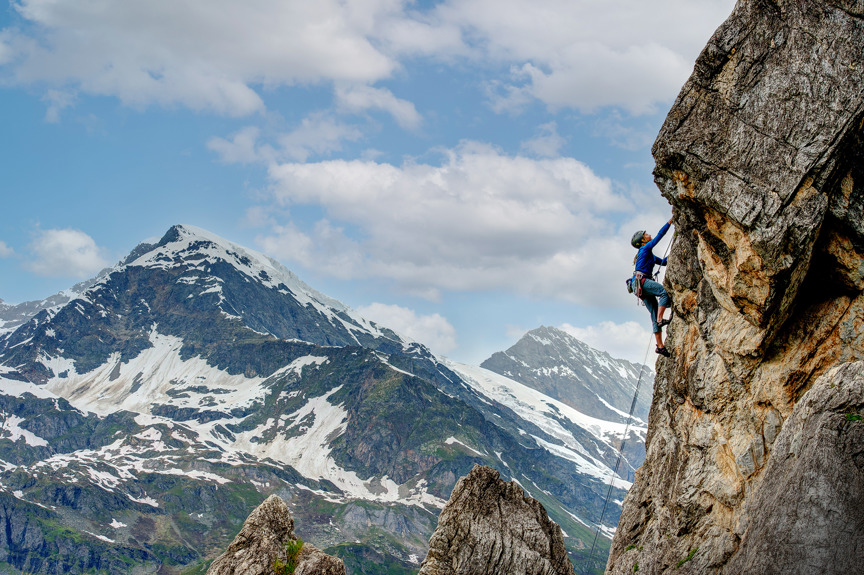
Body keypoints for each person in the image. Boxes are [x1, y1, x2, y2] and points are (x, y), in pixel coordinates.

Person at [631, 217, 674, 357]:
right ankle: (660, 320)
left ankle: (660, 346)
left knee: (653, 311)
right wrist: (670, 222)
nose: (648, 234)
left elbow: (664, 262)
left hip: (638, 285)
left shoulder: (648, 254)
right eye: (646, 234)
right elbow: (659, 236)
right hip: (642, 280)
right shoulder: (645, 248)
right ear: (643, 240)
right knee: (663, 292)